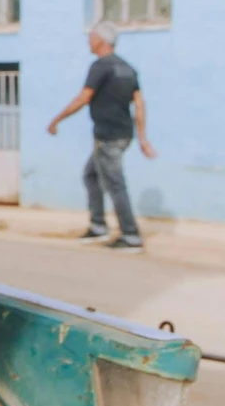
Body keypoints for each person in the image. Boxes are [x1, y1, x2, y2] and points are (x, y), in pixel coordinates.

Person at [48, 21, 155, 249]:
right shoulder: (128, 68)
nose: (88, 42)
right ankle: (98, 226)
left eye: (91, 38)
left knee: (115, 184)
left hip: (107, 136)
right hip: (124, 134)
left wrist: (57, 119)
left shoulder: (100, 66)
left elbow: (84, 98)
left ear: (100, 41)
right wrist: (142, 138)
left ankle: (131, 236)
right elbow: (139, 104)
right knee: (92, 176)